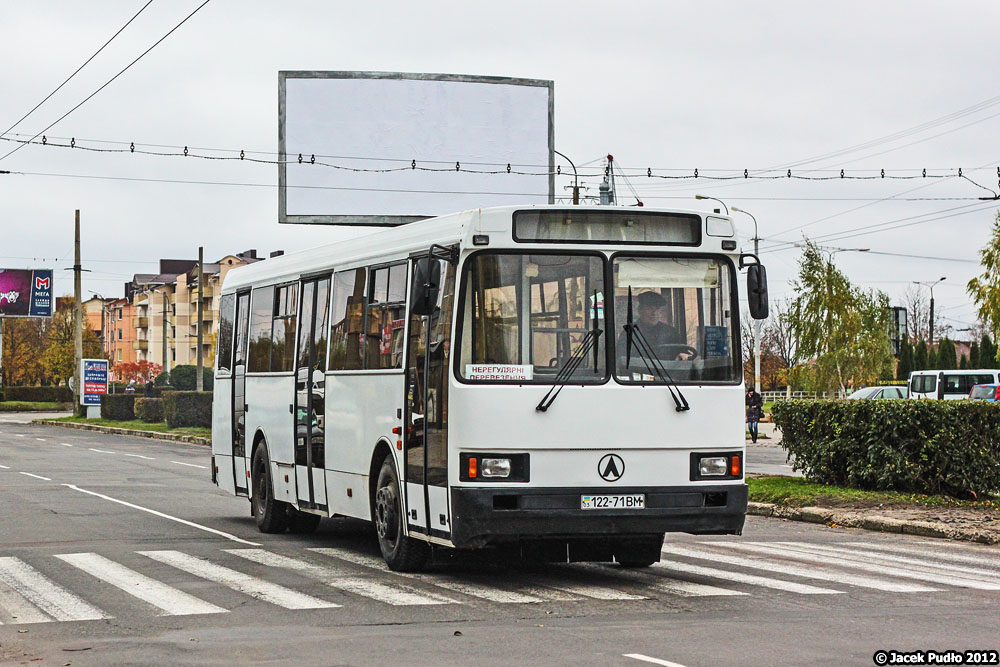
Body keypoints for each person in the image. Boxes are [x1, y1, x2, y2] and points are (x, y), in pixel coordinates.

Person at [618, 290, 689, 360]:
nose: (654, 313)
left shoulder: (670, 332)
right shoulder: (630, 332)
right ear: (640, 310)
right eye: (649, 308)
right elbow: (623, 359)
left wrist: (682, 355)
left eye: (657, 309)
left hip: (668, 371)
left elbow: (683, 352)